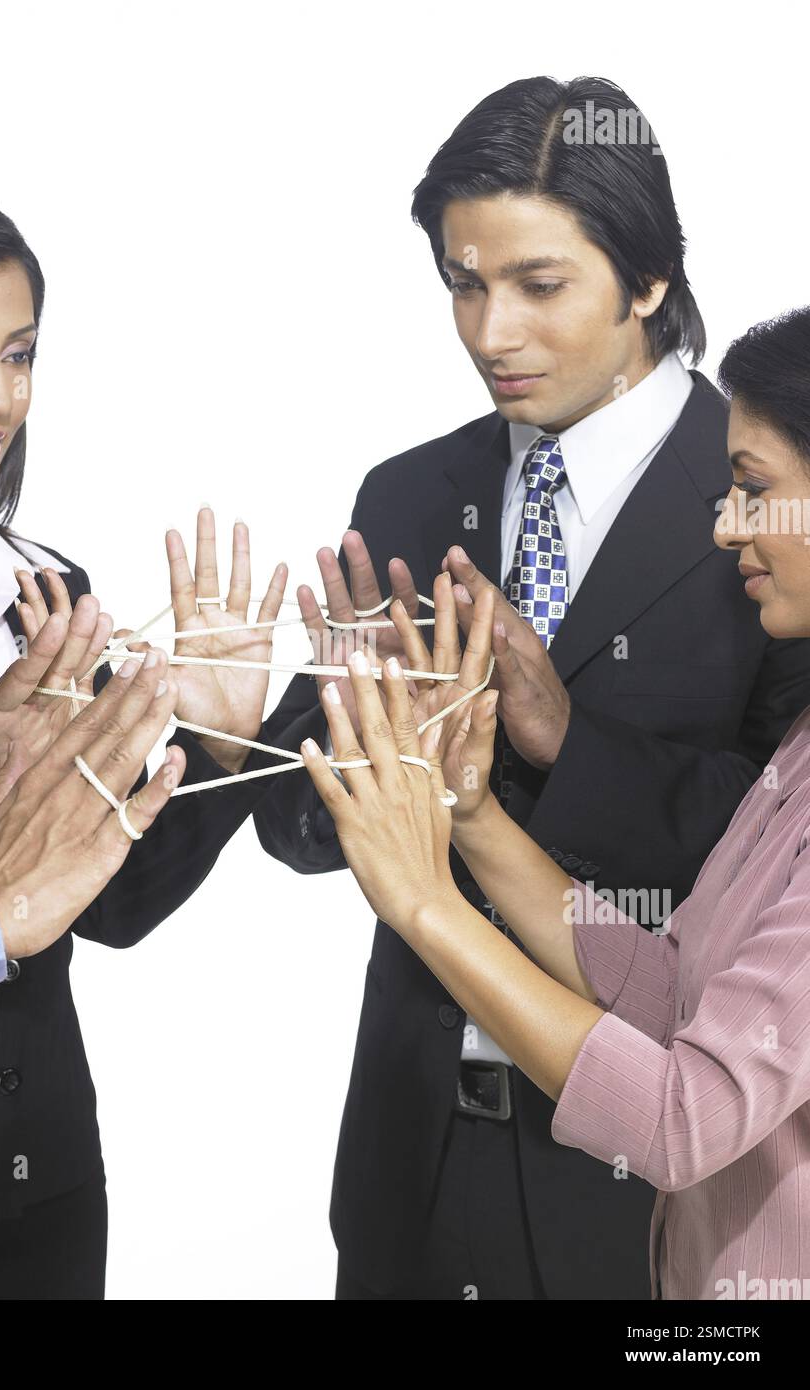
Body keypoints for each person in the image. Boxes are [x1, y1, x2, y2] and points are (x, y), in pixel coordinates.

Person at [254, 76, 810, 1300]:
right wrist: (354, 739)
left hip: (659, 1187)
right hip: (411, 1156)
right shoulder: (406, 494)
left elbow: (767, 864)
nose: (490, 331)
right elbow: (298, 827)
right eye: (463, 283)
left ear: (651, 279)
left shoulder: (773, 506)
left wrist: (560, 743)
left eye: (539, 285)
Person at [0, 169, 293, 1298]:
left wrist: (218, 743)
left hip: (42, 1175)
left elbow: (117, 905)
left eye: (21, 352)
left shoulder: (48, 590)